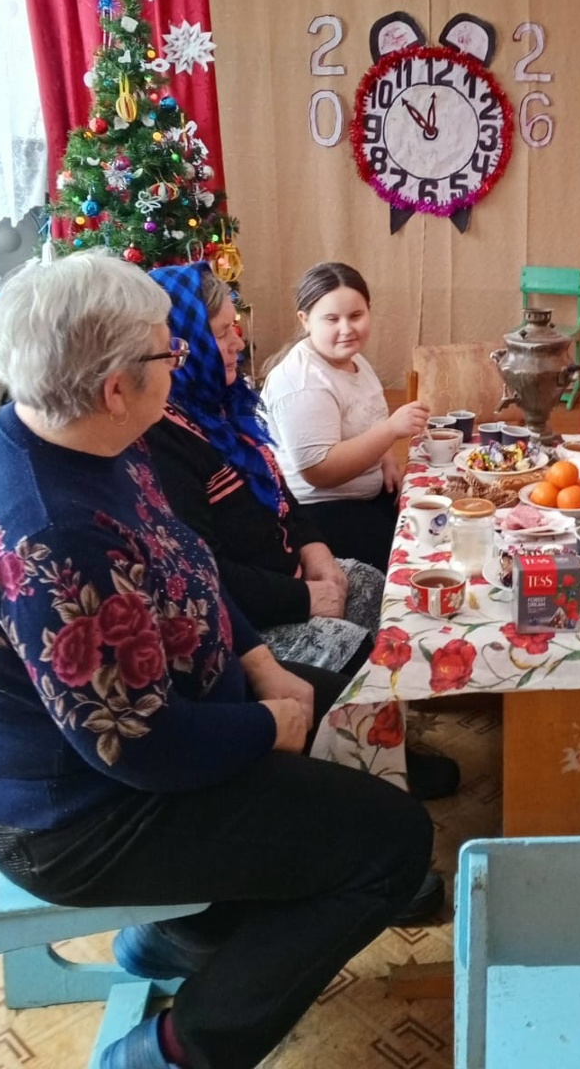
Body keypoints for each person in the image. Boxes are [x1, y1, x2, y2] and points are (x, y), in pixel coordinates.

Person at [0, 252, 435, 1069]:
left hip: (160, 732)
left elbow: (187, 563)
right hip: (85, 818)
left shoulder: (87, 435)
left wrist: (259, 662)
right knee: (392, 845)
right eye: (167, 351)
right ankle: (180, 1047)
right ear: (115, 387)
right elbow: (139, 746)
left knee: (347, 699)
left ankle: (180, 935)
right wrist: (265, 726)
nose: (182, 360)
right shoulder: (53, 533)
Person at [144, 261, 459, 799]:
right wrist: (303, 597)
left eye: (235, 327)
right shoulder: (165, 440)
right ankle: (371, 765)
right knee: (355, 643)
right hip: (250, 617)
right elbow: (205, 576)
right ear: (180, 344)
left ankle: (386, 726)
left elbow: (279, 489)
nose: (238, 342)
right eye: (221, 333)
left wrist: (316, 552)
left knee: (379, 590)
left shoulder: (222, 408)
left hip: (289, 568)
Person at [261, 262, 430, 572]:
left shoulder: (354, 360)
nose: (346, 328)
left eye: (356, 315)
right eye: (332, 319)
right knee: (414, 559)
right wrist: (391, 430)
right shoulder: (302, 381)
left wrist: (388, 461)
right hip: (318, 511)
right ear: (305, 320)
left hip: (363, 495)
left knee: (434, 520)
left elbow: (368, 419)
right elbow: (319, 471)